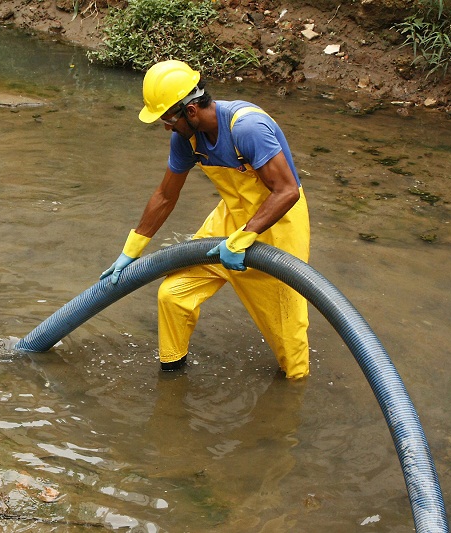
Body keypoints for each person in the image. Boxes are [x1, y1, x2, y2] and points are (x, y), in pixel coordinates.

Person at [101, 59, 310, 379]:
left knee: (289, 344)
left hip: (277, 227)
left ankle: (292, 404)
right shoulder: (187, 139)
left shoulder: (247, 127)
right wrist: (132, 249)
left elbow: (286, 192)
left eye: (168, 119)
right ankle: (171, 377)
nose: (166, 127)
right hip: (230, 219)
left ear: (191, 110)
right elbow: (166, 195)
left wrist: (245, 237)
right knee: (173, 295)